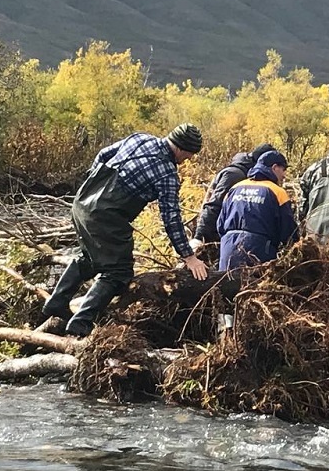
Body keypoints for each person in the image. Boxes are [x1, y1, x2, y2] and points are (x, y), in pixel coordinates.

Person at [42, 124, 209, 337]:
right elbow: (172, 219)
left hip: (83, 203)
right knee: (118, 272)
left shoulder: (140, 139)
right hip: (106, 217)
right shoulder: (167, 175)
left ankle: (56, 302)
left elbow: (103, 154)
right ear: (183, 149)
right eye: (190, 155)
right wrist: (189, 256)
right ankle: (81, 322)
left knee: (90, 257)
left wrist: (93, 183)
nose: (188, 159)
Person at [216, 150, 298, 270]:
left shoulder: (234, 188)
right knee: (256, 287)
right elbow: (288, 231)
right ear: (274, 167)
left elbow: (220, 225)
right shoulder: (277, 192)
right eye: (283, 170)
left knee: (226, 286)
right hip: (258, 252)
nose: (284, 175)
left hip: (228, 249)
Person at [193, 142, 276, 244]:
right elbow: (214, 205)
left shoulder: (243, 173)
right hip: (213, 238)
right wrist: (199, 237)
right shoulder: (235, 175)